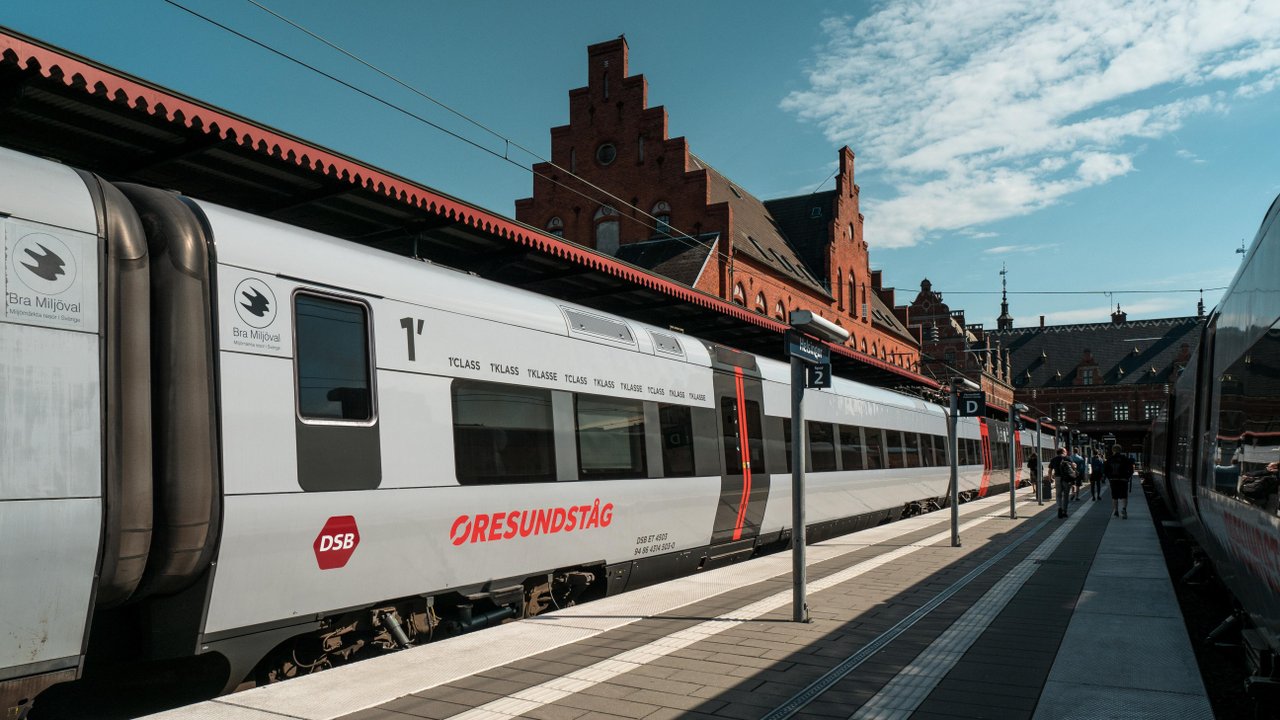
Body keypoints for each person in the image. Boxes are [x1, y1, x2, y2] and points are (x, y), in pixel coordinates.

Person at [1103, 444, 1136, 519]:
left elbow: (1105, 470)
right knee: (1124, 495)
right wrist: (1127, 477)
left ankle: (1116, 511)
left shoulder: (1109, 459)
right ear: (1121, 450)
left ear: (1112, 450)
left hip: (1113, 480)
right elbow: (1131, 469)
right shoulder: (1125, 459)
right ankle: (1124, 509)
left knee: (1114, 496)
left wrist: (1109, 477)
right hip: (1123, 480)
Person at [1049, 448, 1076, 518]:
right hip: (1066, 479)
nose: (1066, 452)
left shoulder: (1054, 459)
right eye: (1066, 451)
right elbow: (1074, 467)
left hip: (1057, 478)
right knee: (1066, 496)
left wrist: (1050, 478)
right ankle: (1065, 511)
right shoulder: (1068, 458)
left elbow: (1050, 470)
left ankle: (1059, 508)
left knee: (1058, 495)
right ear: (1063, 452)